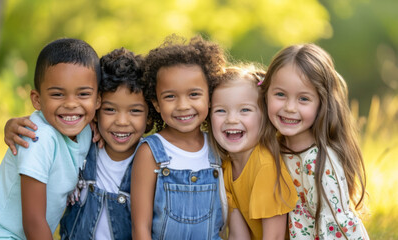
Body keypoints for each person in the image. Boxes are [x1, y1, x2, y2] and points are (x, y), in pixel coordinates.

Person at [0, 38, 101, 240]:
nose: (71, 104)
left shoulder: (86, 130)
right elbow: (33, 220)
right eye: (58, 94)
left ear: (98, 99)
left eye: (83, 94)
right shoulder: (38, 137)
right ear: (37, 100)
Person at [258, 43, 369, 239]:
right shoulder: (272, 148)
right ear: (265, 94)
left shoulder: (319, 161)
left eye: (303, 99)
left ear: (322, 103)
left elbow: (333, 228)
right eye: (280, 94)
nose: (290, 107)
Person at [130, 35, 227, 240]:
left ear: (210, 97)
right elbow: (140, 229)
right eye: (170, 96)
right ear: (156, 103)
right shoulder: (150, 152)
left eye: (194, 94)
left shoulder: (218, 147)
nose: (183, 106)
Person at [59, 47, 153, 239]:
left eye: (135, 111)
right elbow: (47, 124)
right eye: (110, 110)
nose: (122, 122)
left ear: (149, 116)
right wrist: (11, 125)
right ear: (95, 109)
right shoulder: (80, 145)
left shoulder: (153, 160)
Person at [209, 65, 298, 240]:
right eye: (220, 110)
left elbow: (275, 237)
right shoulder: (226, 166)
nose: (232, 119)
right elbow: (237, 235)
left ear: (264, 116)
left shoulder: (265, 166)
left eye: (245, 110)